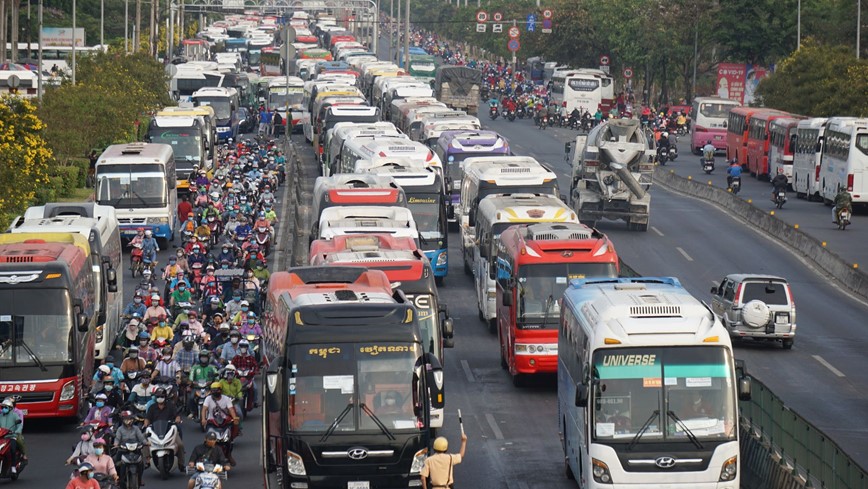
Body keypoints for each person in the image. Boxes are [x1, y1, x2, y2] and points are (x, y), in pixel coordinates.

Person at [143, 388, 185, 469]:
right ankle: (148, 460)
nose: (160, 398)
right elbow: (147, 418)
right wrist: (146, 423)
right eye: (158, 396)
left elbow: (177, 416)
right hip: (155, 430)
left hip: (169, 429)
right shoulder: (152, 407)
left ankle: (181, 463)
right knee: (144, 440)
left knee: (180, 444)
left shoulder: (171, 406)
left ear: (165, 397)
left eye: (162, 396)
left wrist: (177, 419)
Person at [0, 398, 25, 469]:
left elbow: (20, 425)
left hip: (11, 436)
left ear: (10, 408)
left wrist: (17, 431)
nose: (3, 409)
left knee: (13, 449)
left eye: (5, 407)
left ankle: (13, 467)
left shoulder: (15, 415)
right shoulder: (0, 416)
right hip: (2, 437)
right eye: (2, 407)